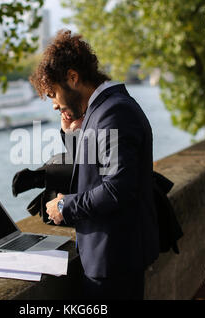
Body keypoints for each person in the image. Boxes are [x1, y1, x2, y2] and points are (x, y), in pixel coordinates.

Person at [29, 29, 160, 300]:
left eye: (53, 93)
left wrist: (66, 206)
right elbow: (95, 168)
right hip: (110, 256)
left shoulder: (114, 113)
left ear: (73, 78)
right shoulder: (104, 109)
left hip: (114, 260)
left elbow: (117, 189)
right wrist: (72, 134)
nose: (54, 105)